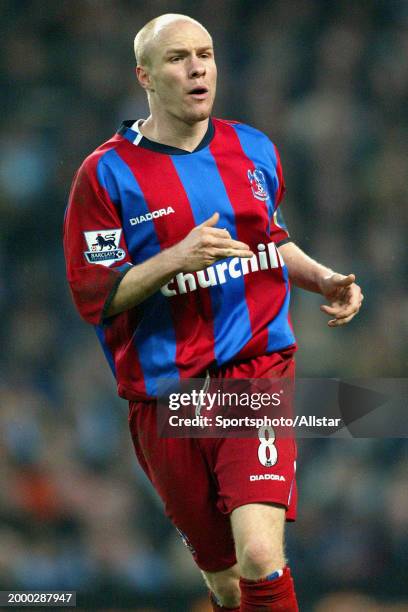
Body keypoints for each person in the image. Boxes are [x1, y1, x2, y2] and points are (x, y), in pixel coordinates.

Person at [63, 13, 363, 611]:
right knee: (226, 583)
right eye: (178, 57)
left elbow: (270, 241)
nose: (197, 67)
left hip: (255, 374)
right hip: (167, 399)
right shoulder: (105, 175)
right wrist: (176, 257)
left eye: (205, 53)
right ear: (144, 75)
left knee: (258, 556)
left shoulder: (252, 148)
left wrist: (323, 279)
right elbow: (96, 295)